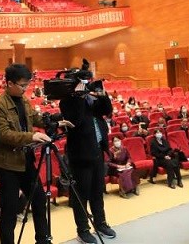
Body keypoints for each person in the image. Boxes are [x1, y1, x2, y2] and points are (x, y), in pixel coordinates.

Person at [0, 64, 73, 244]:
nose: (25, 89)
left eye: (27, 85)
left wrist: (55, 123)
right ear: (9, 83)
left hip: (26, 162)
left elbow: (36, 119)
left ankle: (42, 239)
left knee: (39, 200)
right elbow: (3, 134)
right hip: (8, 166)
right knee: (10, 212)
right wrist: (32, 136)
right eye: (22, 85)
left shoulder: (24, 100)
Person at [60, 66, 117, 244]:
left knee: (97, 192)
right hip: (80, 155)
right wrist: (78, 97)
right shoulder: (67, 101)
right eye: (82, 81)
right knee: (81, 195)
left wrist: (103, 95)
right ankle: (83, 230)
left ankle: (100, 223)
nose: (86, 84)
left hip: (97, 151)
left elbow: (106, 110)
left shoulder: (91, 98)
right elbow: (75, 121)